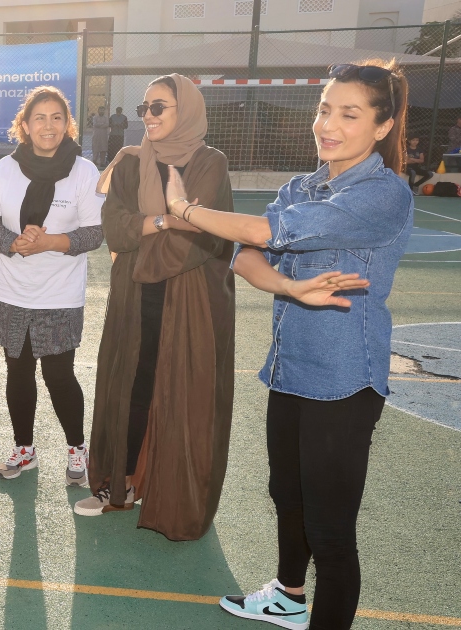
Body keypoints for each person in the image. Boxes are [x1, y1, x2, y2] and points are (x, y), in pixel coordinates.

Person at [163, 60, 413, 630]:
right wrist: (288, 285)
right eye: (325, 108)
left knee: (331, 531)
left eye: (349, 113)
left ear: (381, 126)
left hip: (344, 380)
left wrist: (184, 208)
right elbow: (248, 257)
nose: (329, 123)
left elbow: (263, 233)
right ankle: (288, 595)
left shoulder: (383, 194)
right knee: (287, 492)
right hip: (291, 369)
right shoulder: (303, 186)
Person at [80, 75, 235, 544]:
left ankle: (174, 499)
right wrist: (167, 218)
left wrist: (147, 236)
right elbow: (116, 228)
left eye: (159, 107)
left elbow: (200, 240)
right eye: (145, 106)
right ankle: (119, 484)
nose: (148, 115)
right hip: (134, 299)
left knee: (182, 394)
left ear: (184, 110)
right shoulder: (129, 163)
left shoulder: (209, 163)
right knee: (129, 385)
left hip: (191, 304)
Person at [0, 87, 104, 486]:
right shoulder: (5, 168)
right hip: (11, 291)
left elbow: (95, 233)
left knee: (59, 374)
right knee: (18, 371)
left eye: (57, 118)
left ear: (67, 125)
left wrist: (48, 242)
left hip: (59, 296)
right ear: (25, 126)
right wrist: (15, 243)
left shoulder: (84, 171)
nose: (48, 126)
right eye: (39, 118)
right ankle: (25, 449)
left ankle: (77, 449)